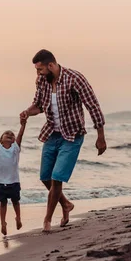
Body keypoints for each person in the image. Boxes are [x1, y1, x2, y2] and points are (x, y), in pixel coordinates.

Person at [19, 49, 107, 232]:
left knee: (57, 177)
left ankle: (47, 220)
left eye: (40, 69)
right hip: (52, 134)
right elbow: (38, 106)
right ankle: (66, 204)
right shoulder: (42, 81)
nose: (38, 74)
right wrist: (27, 112)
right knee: (45, 177)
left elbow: (93, 106)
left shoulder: (75, 78)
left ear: (51, 65)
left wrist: (101, 136)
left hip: (72, 135)